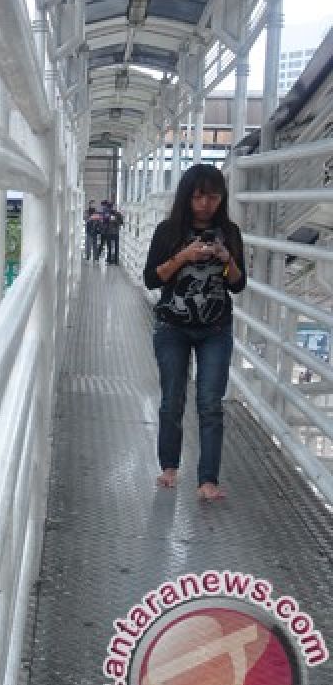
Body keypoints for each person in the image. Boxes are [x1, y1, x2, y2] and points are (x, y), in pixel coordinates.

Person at [144, 163, 245, 501]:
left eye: (213, 196)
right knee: (172, 398)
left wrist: (226, 257)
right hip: (172, 326)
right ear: (187, 196)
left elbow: (238, 283)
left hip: (216, 328)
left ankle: (208, 480)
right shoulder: (168, 231)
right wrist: (184, 257)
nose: (205, 204)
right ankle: (169, 467)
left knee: (210, 402)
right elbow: (152, 279)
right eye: (199, 196)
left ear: (222, 198)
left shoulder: (229, 232)